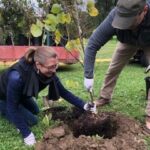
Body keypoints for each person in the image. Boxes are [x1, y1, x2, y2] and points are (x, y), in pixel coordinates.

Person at [0, 47, 96, 146]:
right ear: (38, 65)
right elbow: (12, 107)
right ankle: (3, 110)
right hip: (4, 97)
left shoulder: (50, 72)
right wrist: (27, 134)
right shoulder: (17, 77)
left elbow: (63, 92)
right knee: (32, 120)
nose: (54, 70)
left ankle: (20, 107)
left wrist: (84, 105)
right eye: (50, 67)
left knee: (36, 111)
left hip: (22, 95)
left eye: (55, 65)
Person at [84, 0, 150, 131]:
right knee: (113, 69)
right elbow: (92, 44)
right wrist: (88, 75)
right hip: (127, 41)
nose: (125, 25)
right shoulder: (115, 15)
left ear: (144, 11)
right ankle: (104, 97)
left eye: (129, 21)